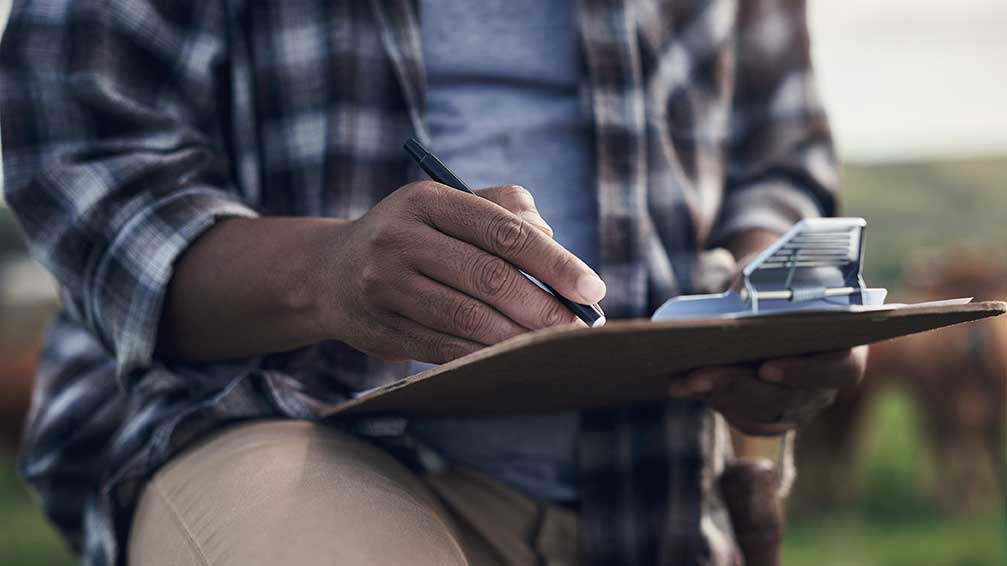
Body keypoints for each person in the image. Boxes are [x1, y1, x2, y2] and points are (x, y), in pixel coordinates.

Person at [0, 1, 866, 565]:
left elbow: (776, 156)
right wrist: (324, 274)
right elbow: (76, 148)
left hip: (657, 485)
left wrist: (770, 313)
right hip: (272, 430)